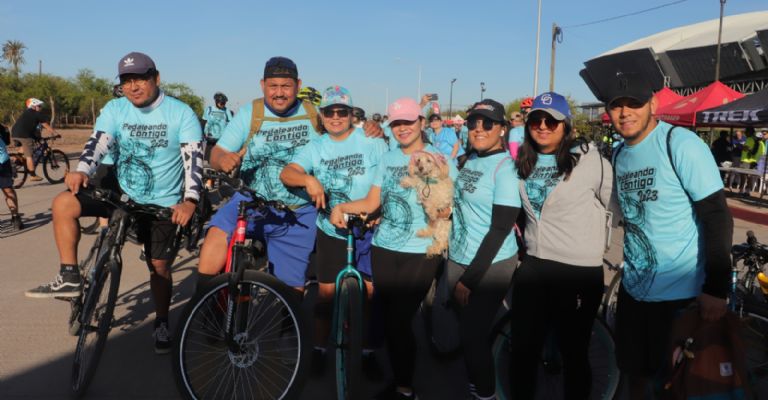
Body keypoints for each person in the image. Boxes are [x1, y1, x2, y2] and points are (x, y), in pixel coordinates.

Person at [25, 52, 203, 354]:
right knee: (63, 203)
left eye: (140, 79)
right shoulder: (115, 108)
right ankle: (69, 274)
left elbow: (194, 161)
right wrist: (82, 171)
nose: (133, 87)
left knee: (159, 267)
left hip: (161, 204)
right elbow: (98, 143)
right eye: (126, 81)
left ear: (156, 78)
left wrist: (190, 201)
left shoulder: (181, 113)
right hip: (120, 195)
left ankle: (161, 321)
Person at [195, 57, 384, 296]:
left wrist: (371, 127)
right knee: (215, 235)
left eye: (286, 86)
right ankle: (201, 306)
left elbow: (341, 130)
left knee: (291, 294)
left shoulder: (312, 112)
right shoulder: (249, 113)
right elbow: (218, 151)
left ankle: (287, 323)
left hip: (298, 210)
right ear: (262, 84)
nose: (279, 93)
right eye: (273, 86)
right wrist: (222, 159)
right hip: (252, 201)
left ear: (298, 85)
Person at [604, 73, 732, 400]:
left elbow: (717, 215)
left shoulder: (680, 144)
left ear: (653, 104)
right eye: (616, 106)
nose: (624, 113)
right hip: (634, 291)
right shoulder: (619, 154)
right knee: (634, 376)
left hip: (681, 297)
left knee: (677, 386)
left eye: (634, 103)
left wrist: (716, 288)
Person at [330, 97, 458, 400]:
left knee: (400, 320)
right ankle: (399, 378)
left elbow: (451, 202)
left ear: (422, 123)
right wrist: (343, 207)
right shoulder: (387, 158)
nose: (402, 128)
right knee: (388, 318)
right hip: (384, 246)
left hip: (422, 248)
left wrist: (444, 212)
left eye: (408, 122)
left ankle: (404, 389)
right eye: (396, 123)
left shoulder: (440, 159)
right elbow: (373, 202)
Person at [508, 92, 617, 399]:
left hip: (578, 271)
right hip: (535, 265)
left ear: (566, 125)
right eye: (536, 120)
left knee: (574, 354)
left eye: (552, 121)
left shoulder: (591, 161)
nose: (543, 126)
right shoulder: (522, 163)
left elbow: (613, 206)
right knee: (523, 352)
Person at [279, 85, 388, 372]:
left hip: (368, 227)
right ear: (322, 115)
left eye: (342, 111)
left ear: (352, 114)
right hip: (331, 230)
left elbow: (388, 180)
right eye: (330, 112)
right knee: (325, 297)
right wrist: (308, 180)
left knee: (369, 295)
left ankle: (367, 352)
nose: (336, 117)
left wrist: (380, 210)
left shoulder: (373, 141)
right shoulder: (315, 146)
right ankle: (318, 349)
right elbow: (287, 173)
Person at [444, 99, 521, 400]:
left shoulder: (505, 167)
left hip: (490, 263)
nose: (479, 129)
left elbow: (501, 228)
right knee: (467, 332)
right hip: (459, 256)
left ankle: (486, 394)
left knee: (473, 338)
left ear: (502, 129)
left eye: (487, 123)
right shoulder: (467, 161)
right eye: (473, 123)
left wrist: (470, 278)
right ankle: (477, 382)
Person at [11, 98, 57, 181]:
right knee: (29, 155)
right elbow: (46, 126)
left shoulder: (25, 113)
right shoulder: (36, 114)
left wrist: (37, 138)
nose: (40, 108)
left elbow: (28, 127)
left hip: (14, 133)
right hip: (24, 135)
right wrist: (56, 133)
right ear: (33, 106)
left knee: (23, 148)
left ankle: (13, 163)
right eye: (39, 106)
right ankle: (32, 175)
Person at [0, 123, 22, 230]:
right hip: (3, 161)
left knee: (8, 190)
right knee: (8, 190)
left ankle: (15, 217)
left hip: (2, 162)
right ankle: (16, 217)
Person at [201, 92, 234, 158]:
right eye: (222, 103)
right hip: (210, 137)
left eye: (224, 103)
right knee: (208, 158)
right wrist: (202, 133)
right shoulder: (209, 109)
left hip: (221, 139)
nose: (223, 105)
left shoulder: (226, 111)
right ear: (216, 101)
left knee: (220, 158)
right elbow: (203, 121)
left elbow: (231, 124)